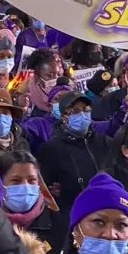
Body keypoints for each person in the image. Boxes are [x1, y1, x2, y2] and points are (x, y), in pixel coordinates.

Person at [37, 92, 111, 241]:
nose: (82, 114)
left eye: (86, 110)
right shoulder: (51, 149)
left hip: (107, 211)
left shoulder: (105, 142)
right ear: (64, 117)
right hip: (72, 218)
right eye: (75, 111)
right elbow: (48, 190)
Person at [0, 149, 54, 248]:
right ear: (1, 183)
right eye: (16, 180)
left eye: (32, 180)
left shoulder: (57, 223)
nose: (25, 186)